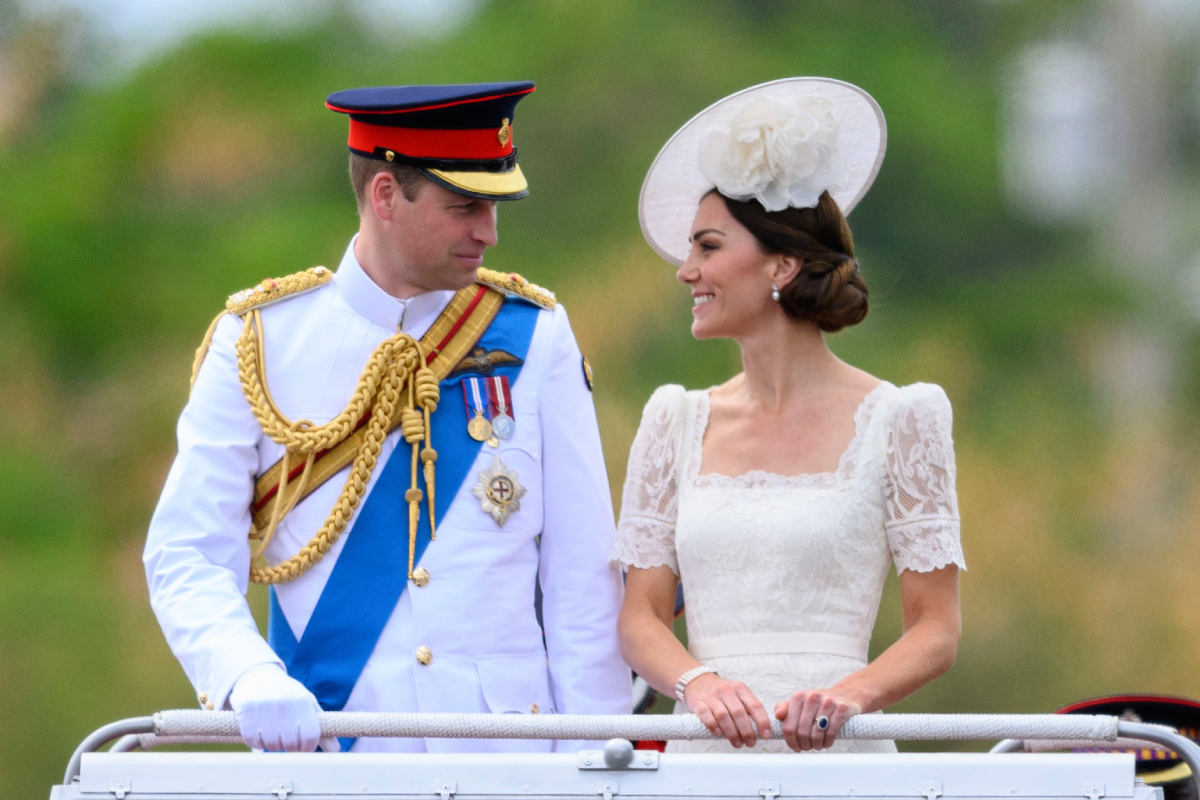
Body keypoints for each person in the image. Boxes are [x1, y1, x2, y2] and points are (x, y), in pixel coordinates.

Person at [143, 82, 630, 754]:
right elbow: (187, 553)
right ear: (384, 198)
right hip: (332, 753)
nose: (488, 232)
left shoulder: (534, 334)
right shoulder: (260, 341)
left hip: (506, 760)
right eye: (465, 207)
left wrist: (599, 762)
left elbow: (583, 583)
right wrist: (247, 674)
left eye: (494, 207)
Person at [612, 78, 965, 754]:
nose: (686, 271)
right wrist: (698, 682)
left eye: (707, 247)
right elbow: (640, 616)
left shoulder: (902, 418)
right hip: (707, 760)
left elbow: (936, 628)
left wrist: (850, 696)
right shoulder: (673, 420)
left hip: (841, 760)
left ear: (781, 263)